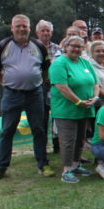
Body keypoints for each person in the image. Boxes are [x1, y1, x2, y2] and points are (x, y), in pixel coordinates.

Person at [0, 14, 54, 181]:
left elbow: (46, 69)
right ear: (12, 28)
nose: (21, 29)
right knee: (7, 130)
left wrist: (38, 81)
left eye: (24, 26)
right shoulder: (3, 46)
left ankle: (43, 164)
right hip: (12, 94)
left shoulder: (38, 45)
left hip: (35, 93)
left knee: (39, 130)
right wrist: (5, 84)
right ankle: (0, 168)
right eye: (18, 26)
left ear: (29, 28)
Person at [50, 36, 99, 183]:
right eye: (73, 46)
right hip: (66, 110)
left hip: (85, 108)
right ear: (66, 46)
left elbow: (95, 82)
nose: (77, 49)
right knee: (68, 140)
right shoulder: (59, 64)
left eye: (80, 47)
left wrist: (95, 97)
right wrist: (78, 102)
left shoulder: (85, 62)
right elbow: (61, 87)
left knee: (80, 139)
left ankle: (76, 165)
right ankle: (66, 171)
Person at [35, 19, 62, 152]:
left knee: (58, 115)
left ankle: (57, 145)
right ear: (37, 33)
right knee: (41, 118)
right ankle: (42, 148)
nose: (45, 33)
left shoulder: (58, 48)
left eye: (48, 31)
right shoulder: (32, 47)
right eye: (43, 30)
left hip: (55, 86)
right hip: (39, 86)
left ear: (51, 33)